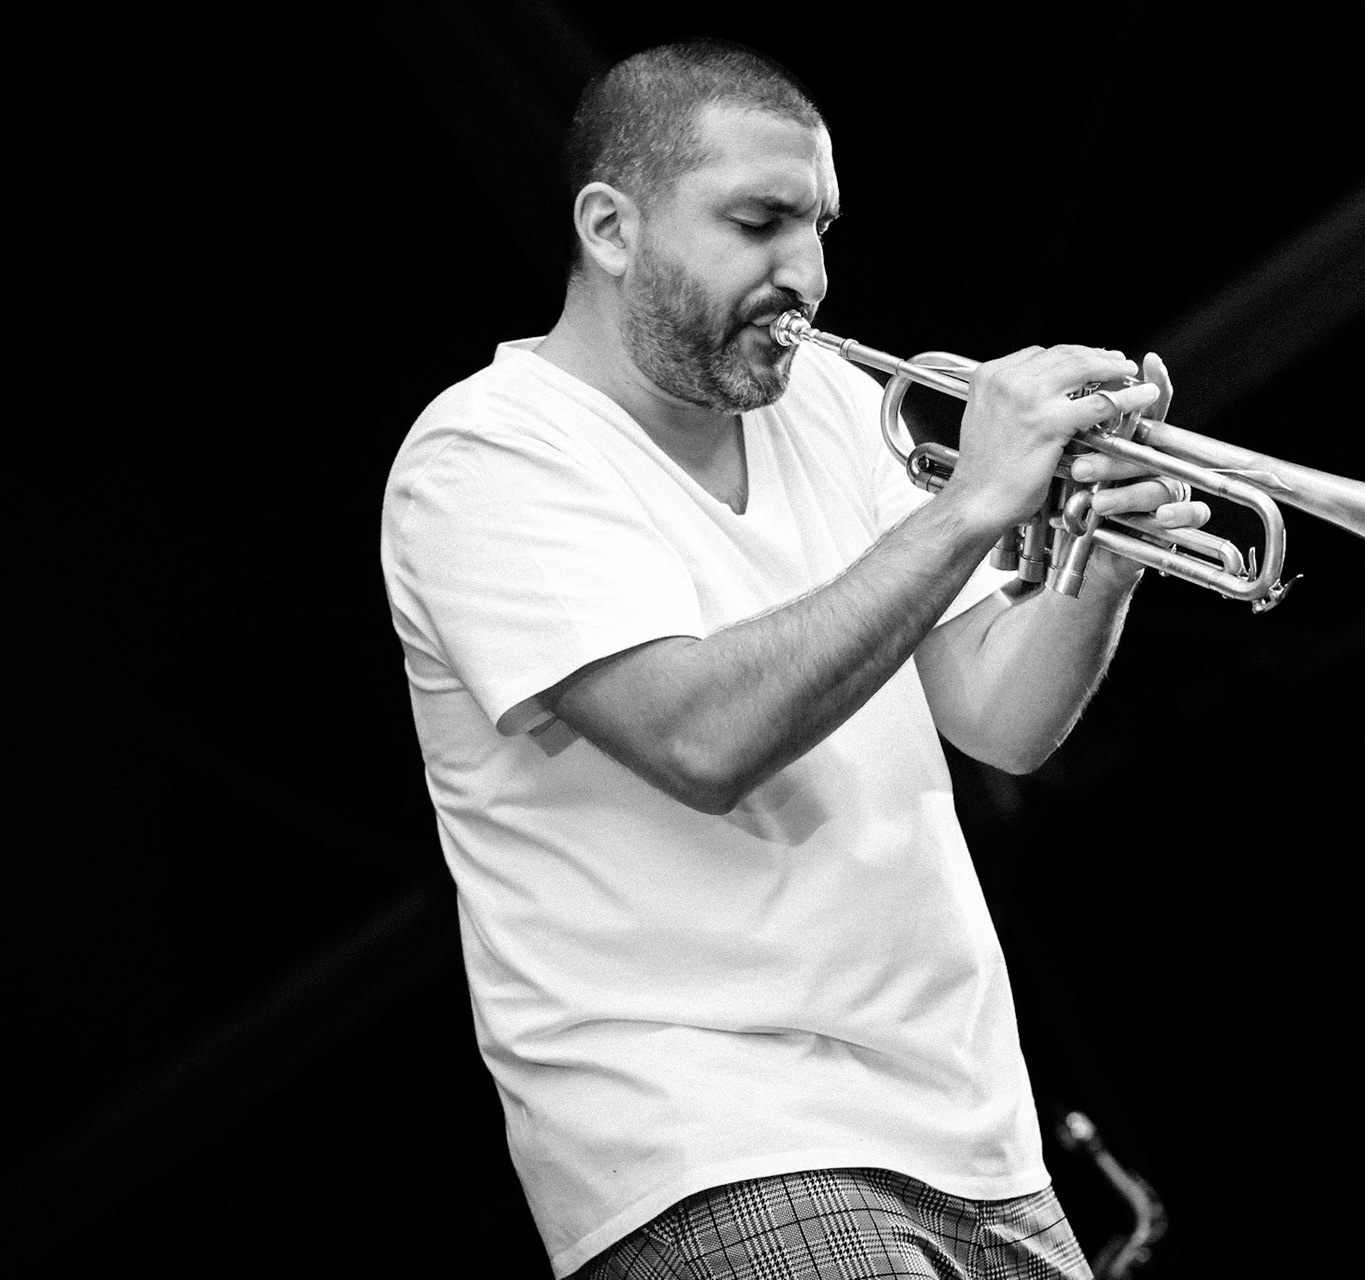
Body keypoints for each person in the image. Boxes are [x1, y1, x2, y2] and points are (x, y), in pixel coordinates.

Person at [380, 37, 1204, 1280]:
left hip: (974, 1127)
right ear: (610, 225)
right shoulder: (485, 455)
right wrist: (976, 500)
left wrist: (1103, 552)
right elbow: (702, 738)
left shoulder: (817, 400)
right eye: (759, 222)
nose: (807, 275)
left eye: (819, 226)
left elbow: (999, 714)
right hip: (712, 1139)